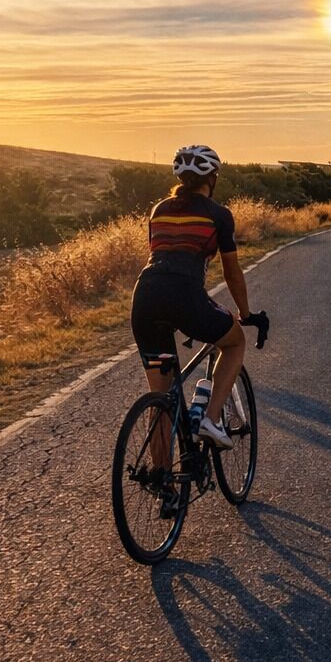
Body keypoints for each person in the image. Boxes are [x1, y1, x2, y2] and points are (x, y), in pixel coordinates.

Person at [130, 144, 254, 449]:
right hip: (184, 295)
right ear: (212, 178)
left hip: (145, 296)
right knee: (235, 341)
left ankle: (165, 489)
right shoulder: (218, 215)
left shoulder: (159, 209)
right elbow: (232, 273)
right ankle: (210, 420)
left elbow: (163, 255)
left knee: (163, 399)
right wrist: (246, 313)